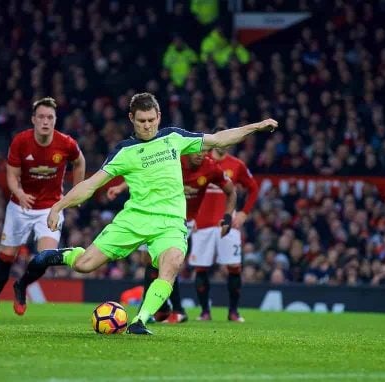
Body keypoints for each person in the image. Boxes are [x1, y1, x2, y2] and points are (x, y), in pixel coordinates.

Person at [24, 92, 276, 335]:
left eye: (151, 120)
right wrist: (58, 206)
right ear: (132, 118)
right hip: (135, 219)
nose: (147, 126)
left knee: (172, 263)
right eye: (142, 121)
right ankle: (58, 256)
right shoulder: (124, 151)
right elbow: (91, 185)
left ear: (159, 116)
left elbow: (219, 139)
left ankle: (140, 320)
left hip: (171, 224)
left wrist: (257, 126)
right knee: (84, 265)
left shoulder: (174, 137)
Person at [0, 97, 85, 321]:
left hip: (51, 208)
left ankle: (21, 285)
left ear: (55, 120)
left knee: (45, 257)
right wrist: (19, 193)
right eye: (41, 117)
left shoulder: (65, 143)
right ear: (33, 119)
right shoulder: (21, 141)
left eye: (50, 117)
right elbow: (11, 175)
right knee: (6, 257)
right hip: (20, 207)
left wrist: (77, 191)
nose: (45, 122)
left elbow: (80, 161)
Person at [107, 151, 236, 323]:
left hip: (184, 220)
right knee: (149, 260)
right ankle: (168, 309)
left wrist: (227, 217)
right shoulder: (173, 160)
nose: (201, 155)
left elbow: (231, 191)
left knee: (164, 260)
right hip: (157, 213)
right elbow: (146, 171)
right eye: (197, 151)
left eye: (204, 151)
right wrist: (121, 187)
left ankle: (161, 309)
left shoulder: (211, 167)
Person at [189, 125, 260, 322]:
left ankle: (234, 312)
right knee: (201, 268)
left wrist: (244, 214)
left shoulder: (236, 165)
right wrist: (190, 217)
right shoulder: (200, 161)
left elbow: (253, 189)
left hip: (227, 224)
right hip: (201, 225)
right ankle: (205, 312)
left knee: (234, 267)